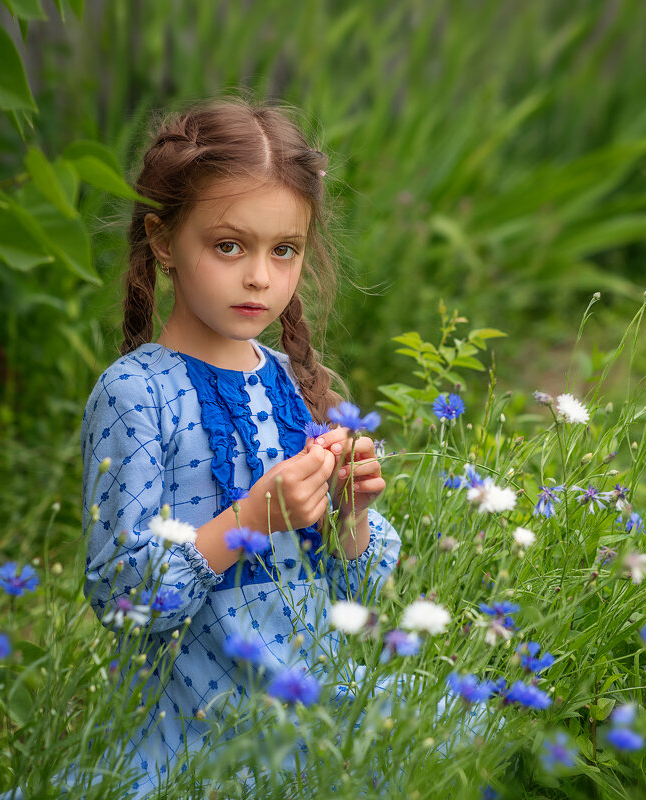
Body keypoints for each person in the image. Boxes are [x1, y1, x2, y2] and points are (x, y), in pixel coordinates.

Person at [80, 98, 401, 796]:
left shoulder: (296, 382)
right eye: (229, 246)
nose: (260, 277)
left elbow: (362, 595)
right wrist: (249, 520)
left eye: (283, 250)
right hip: (197, 714)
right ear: (164, 241)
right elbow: (122, 598)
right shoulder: (136, 394)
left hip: (316, 691)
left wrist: (352, 514)